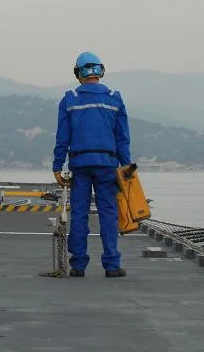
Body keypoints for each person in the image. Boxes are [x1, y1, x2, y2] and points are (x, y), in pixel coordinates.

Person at [52, 51, 131, 278]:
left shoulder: (70, 99)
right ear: (100, 71)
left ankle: (78, 265)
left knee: (79, 213)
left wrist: (58, 166)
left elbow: (62, 138)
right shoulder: (115, 98)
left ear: (78, 73)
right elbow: (123, 138)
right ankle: (112, 265)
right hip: (107, 164)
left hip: (80, 164)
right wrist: (125, 166)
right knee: (108, 213)